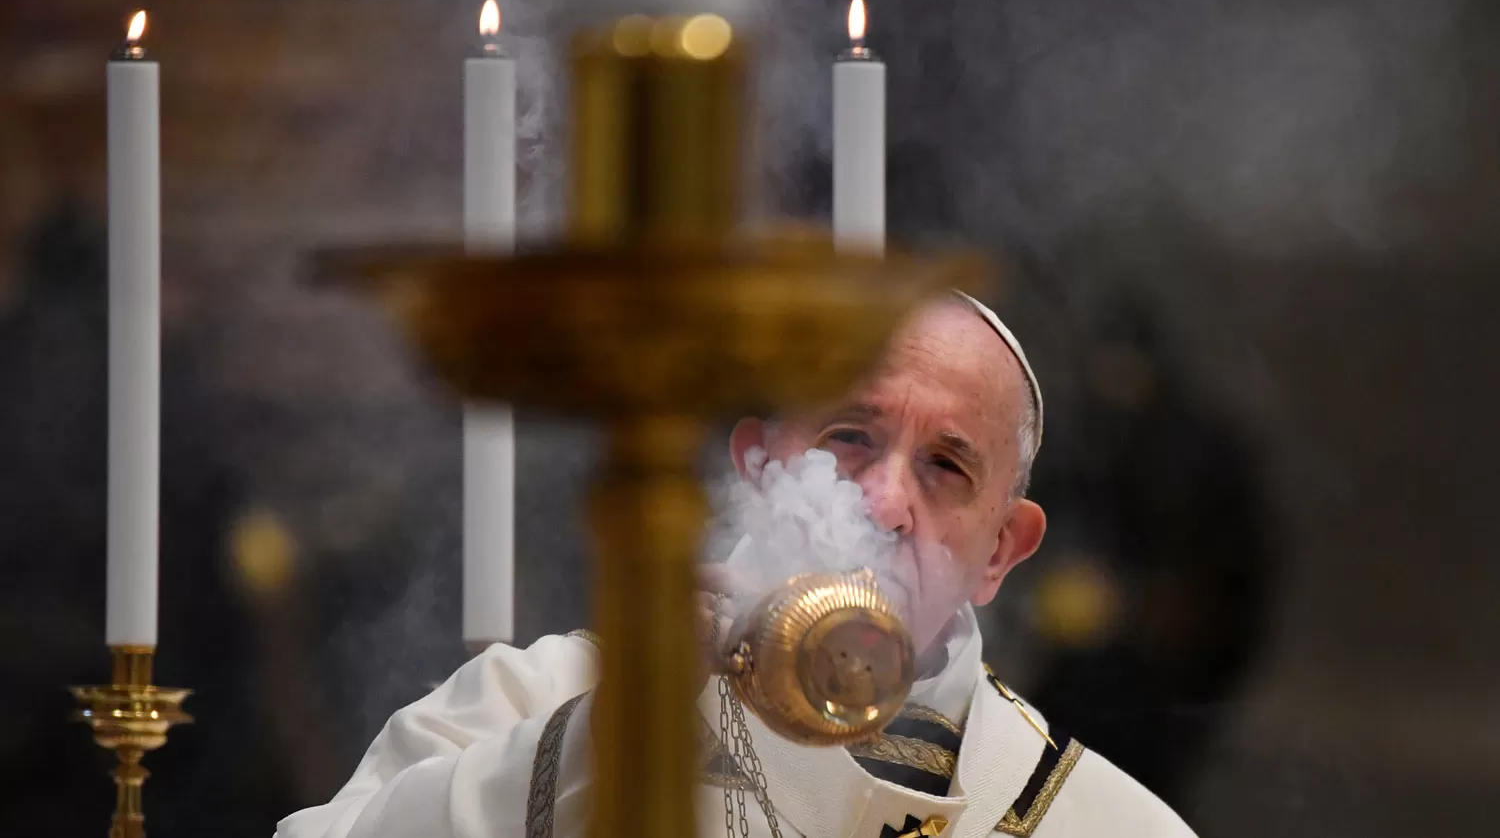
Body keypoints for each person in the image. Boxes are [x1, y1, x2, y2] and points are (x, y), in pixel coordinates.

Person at [275, 293, 1196, 838]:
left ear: (1002, 548)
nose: (882, 500)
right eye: (849, 437)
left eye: (945, 467)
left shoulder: (1106, 823)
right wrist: (621, 724)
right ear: (756, 462)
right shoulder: (543, 694)